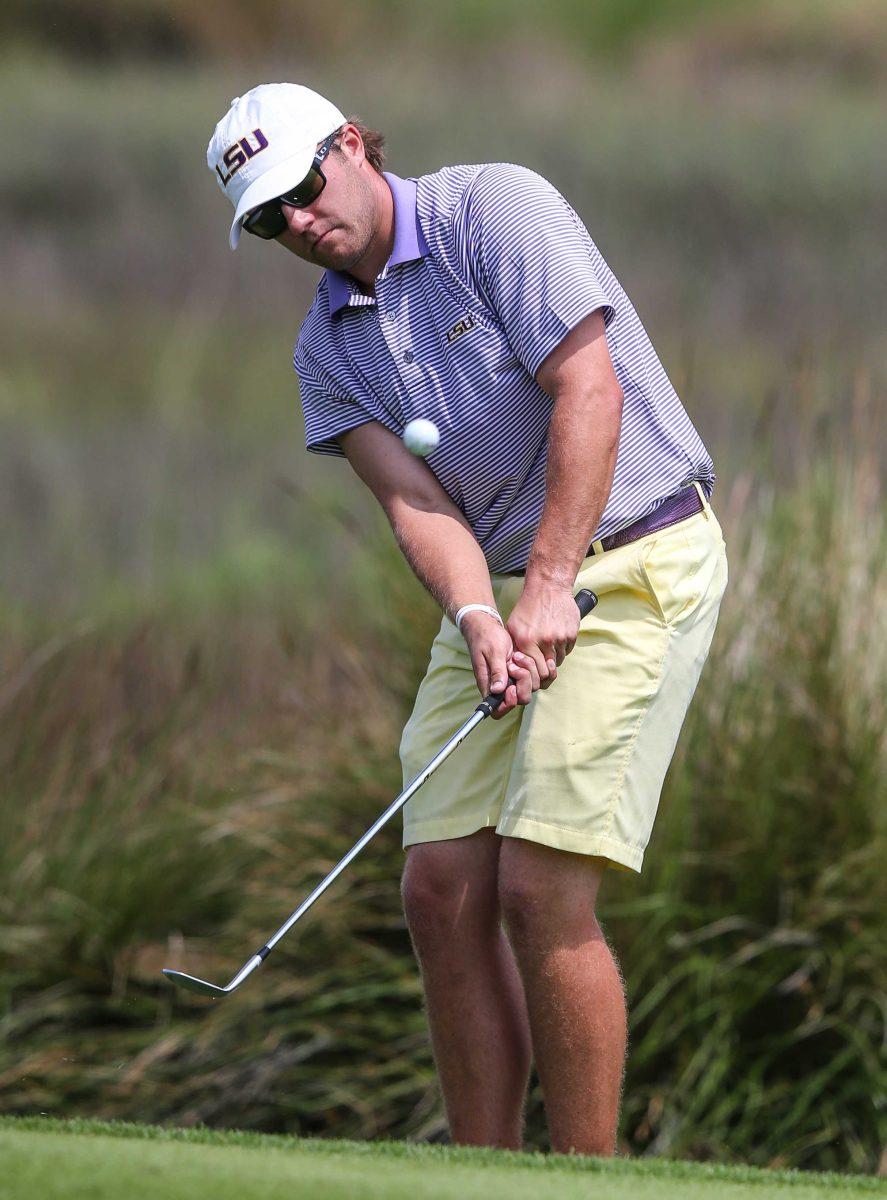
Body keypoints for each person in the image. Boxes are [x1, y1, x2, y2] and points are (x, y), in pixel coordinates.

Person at [207, 82, 728, 1156]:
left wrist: (543, 582)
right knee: (440, 888)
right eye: (267, 219)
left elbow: (590, 389)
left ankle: (586, 1179)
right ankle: (480, 1174)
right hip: (503, 585)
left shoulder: (491, 210)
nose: (296, 223)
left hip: (638, 558)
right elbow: (415, 505)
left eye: (302, 188)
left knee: (538, 885)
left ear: (350, 145)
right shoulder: (326, 350)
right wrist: (481, 614)